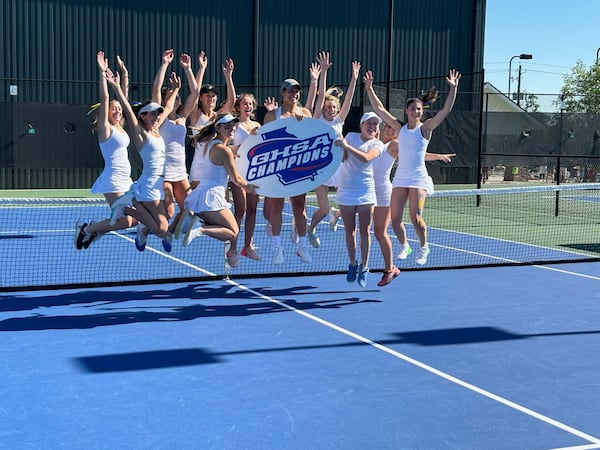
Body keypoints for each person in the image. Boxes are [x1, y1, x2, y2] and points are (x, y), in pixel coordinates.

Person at [364, 69, 460, 266]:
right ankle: (405, 245)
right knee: (396, 219)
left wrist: (453, 89)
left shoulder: (425, 129)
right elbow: (380, 109)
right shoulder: (399, 128)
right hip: (400, 178)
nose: (415, 112)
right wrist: (369, 88)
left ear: (421, 112)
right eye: (412, 109)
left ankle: (424, 247)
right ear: (406, 111)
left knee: (415, 218)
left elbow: (445, 111)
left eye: (418, 109)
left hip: (418, 179)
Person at [106, 63, 180, 252]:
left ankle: (131, 204)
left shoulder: (156, 129)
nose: (156, 116)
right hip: (149, 186)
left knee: (165, 222)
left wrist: (176, 89)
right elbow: (128, 110)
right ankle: (129, 207)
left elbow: (169, 105)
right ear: (143, 116)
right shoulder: (141, 134)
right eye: (152, 114)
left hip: (158, 185)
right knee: (163, 230)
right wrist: (116, 86)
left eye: (157, 113)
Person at [75, 51, 137, 250]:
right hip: (112, 181)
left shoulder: (120, 126)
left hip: (126, 180)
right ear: (106, 112)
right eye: (113, 109)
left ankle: (94, 230)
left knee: (135, 220)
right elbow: (105, 97)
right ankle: (88, 229)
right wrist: (102, 73)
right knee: (125, 221)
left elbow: (123, 98)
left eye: (119, 109)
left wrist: (124, 74)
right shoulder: (105, 129)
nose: (117, 110)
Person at [178, 113, 258, 268]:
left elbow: (236, 150)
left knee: (228, 229)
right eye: (227, 127)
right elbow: (236, 178)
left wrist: (251, 139)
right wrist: (249, 187)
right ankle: (199, 229)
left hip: (203, 193)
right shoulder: (223, 150)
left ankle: (197, 220)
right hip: (212, 196)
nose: (231, 129)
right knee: (233, 232)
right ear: (218, 128)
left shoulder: (211, 144)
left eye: (233, 126)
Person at [307, 52, 361, 246]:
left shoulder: (339, 121)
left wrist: (354, 78)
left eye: (334, 108)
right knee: (322, 210)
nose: (331, 110)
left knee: (348, 205)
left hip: (339, 167)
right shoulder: (317, 119)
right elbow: (321, 95)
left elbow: (348, 98)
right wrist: (323, 74)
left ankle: (336, 214)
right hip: (320, 168)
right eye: (328, 107)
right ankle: (311, 230)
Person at [262, 78, 313, 265]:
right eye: (290, 91)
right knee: (277, 208)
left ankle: (302, 246)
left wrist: (303, 125)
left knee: (300, 208)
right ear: (282, 93)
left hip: (299, 168)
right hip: (278, 169)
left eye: (296, 91)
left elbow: (312, 139)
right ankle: (277, 248)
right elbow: (266, 143)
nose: (294, 95)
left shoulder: (306, 113)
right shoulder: (271, 116)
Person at [151, 49, 200, 242]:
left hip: (180, 172)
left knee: (191, 208)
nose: (176, 98)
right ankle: (144, 229)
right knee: (170, 212)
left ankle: (169, 234)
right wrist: (164, 64)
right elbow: (156, 89)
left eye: (177, 95)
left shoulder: (182, 118)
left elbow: (195, 92)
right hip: (164, 172)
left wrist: (188, 69)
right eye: (171, 95)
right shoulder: (159, 119)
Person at [334, 112, 384, 287]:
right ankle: (352, 264)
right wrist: (340, 147)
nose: (372, 127)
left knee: (365, 231)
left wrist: (347, 146)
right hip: (346, 189)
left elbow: (366, 158)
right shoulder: (351, 136)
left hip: (366, 191)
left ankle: (365, 267)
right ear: (361, 125)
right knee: (350, 231)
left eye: (375, 125)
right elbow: (344, 158)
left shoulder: (378, 144)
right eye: (369, 123)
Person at [188, 57, 235, 189]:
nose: (211, 98)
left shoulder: (218, 117)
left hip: (215, 167)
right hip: (199, 168)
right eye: (207, 95)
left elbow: (231, 101)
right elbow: (194, 92)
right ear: (201, 98)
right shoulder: (196, 115)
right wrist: (202, 68)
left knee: (220, 202)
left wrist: (228, 76)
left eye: (213, 96)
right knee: (197, 207)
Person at [231, 93, 262, 260]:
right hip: (238, 174)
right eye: (245, 104)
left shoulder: (257, 125)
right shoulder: (234, 126)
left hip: (255, 174)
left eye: (250, 104)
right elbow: (229, 148)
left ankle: (248, 246)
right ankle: (232, 249)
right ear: (238, 107)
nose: (248, 106)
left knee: (252, 210)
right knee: (240, 210)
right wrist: (247, 142)